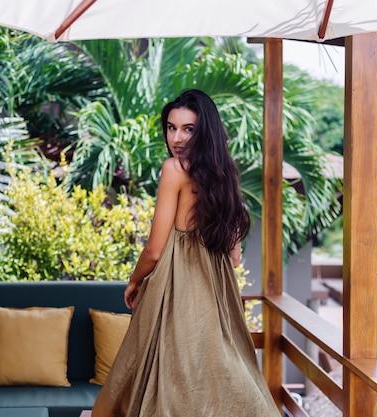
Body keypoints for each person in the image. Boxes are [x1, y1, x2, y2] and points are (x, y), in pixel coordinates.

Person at [91, 89, 280, 417]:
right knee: (216, 369)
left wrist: (134, 282)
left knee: (168, 369)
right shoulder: (224, 172)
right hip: (216, 285)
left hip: (177, 282)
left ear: (204, 130)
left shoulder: (174, 169)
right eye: (171, 127)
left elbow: (154, 249)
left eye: (188, 129)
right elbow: (234, 257)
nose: (176, 137)